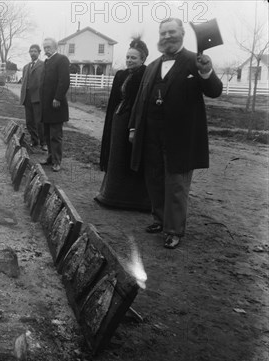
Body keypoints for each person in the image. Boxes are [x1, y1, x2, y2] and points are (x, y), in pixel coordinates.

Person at [128, 18, 223, 249]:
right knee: (154, 180)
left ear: (182, 34)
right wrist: (133, 128)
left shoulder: (195, 60)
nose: (167, 36)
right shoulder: (152, 66)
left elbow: (215, 91)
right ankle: (160, 220)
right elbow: (140, 101)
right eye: (163, 33)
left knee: (176, 184)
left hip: (180, 137)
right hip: (151, 133)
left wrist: (206, 71)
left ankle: (173, 230)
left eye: (172, 32)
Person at [95, 38, 150, 211]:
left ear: (142, 59)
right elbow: (114, 100)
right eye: (128, 57)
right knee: (116, 156)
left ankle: (133, 200)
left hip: (135, 123)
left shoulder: (146, 75)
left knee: (130, 157)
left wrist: (135, 126)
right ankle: (111, 195)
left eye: (134, 58)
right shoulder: (121, 74)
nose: (129, 60)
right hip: (118, 120)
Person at [39, 38, 70, 172]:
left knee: (55, 135)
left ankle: (57, 161)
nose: (46, 50)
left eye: (48, 47)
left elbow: (64, 81)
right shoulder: (47, 62)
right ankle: (50, 157)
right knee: (47, 134)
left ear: (55, 47)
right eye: (44, 47)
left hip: (56, 104)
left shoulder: (61, 59)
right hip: (46, 105)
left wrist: (58, 97)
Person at [19, 44, 45, 152]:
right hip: (27, 97)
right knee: (29, 122)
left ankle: (43, 143)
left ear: (39, 53)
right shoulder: (25, 67)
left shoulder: (43, 65)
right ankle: (35, 141)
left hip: (38, 97)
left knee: (39, 122)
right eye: (31, 51)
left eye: (35, 51)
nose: (33, 53)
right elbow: (24, 83)